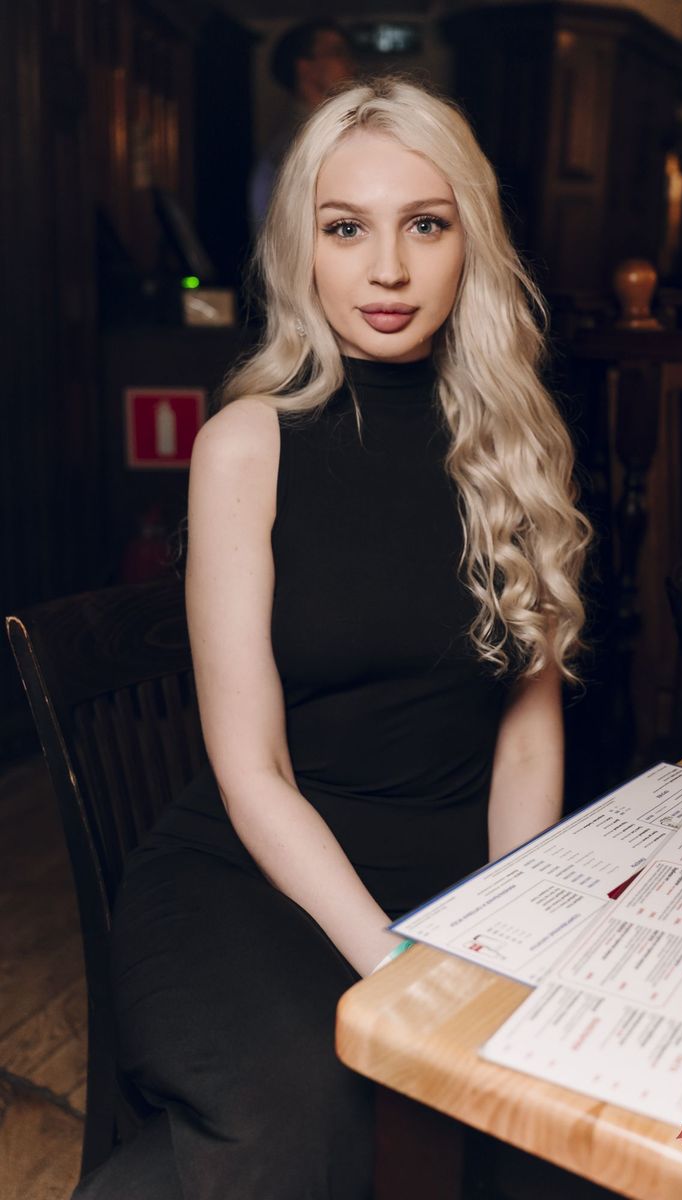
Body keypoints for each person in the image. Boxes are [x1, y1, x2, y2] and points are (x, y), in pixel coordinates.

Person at [75, 77, 590, 1200]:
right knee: (304, 1116)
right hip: (255, 875)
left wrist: (509, 928)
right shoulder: (246, 445)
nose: (387, 269)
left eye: (425, 225)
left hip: (455, 874)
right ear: (300, 248)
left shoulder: (517, 444)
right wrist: (401, 970)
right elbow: (251, 772)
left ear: (471, 241)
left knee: (570, 1118)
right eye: (346, 228)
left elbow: (525, 733)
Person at [249, 20, 355, 233]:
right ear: (305, 68)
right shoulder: (294, 144)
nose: (350, 64)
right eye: (337, 52)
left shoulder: (332, 131)